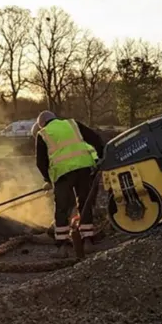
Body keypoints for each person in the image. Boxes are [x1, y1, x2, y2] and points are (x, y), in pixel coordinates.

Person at [34, 110, 104, 258]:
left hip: (62, 173)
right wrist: (101, 159)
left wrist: (48, 180)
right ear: (55, 118)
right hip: (84, 168)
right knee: (84, 204)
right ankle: (88, 242)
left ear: (41, 125)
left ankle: (62, 248)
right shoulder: (72, 124)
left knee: (62, 209)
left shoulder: (43, 134)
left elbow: (40, 162)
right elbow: (95, 139)